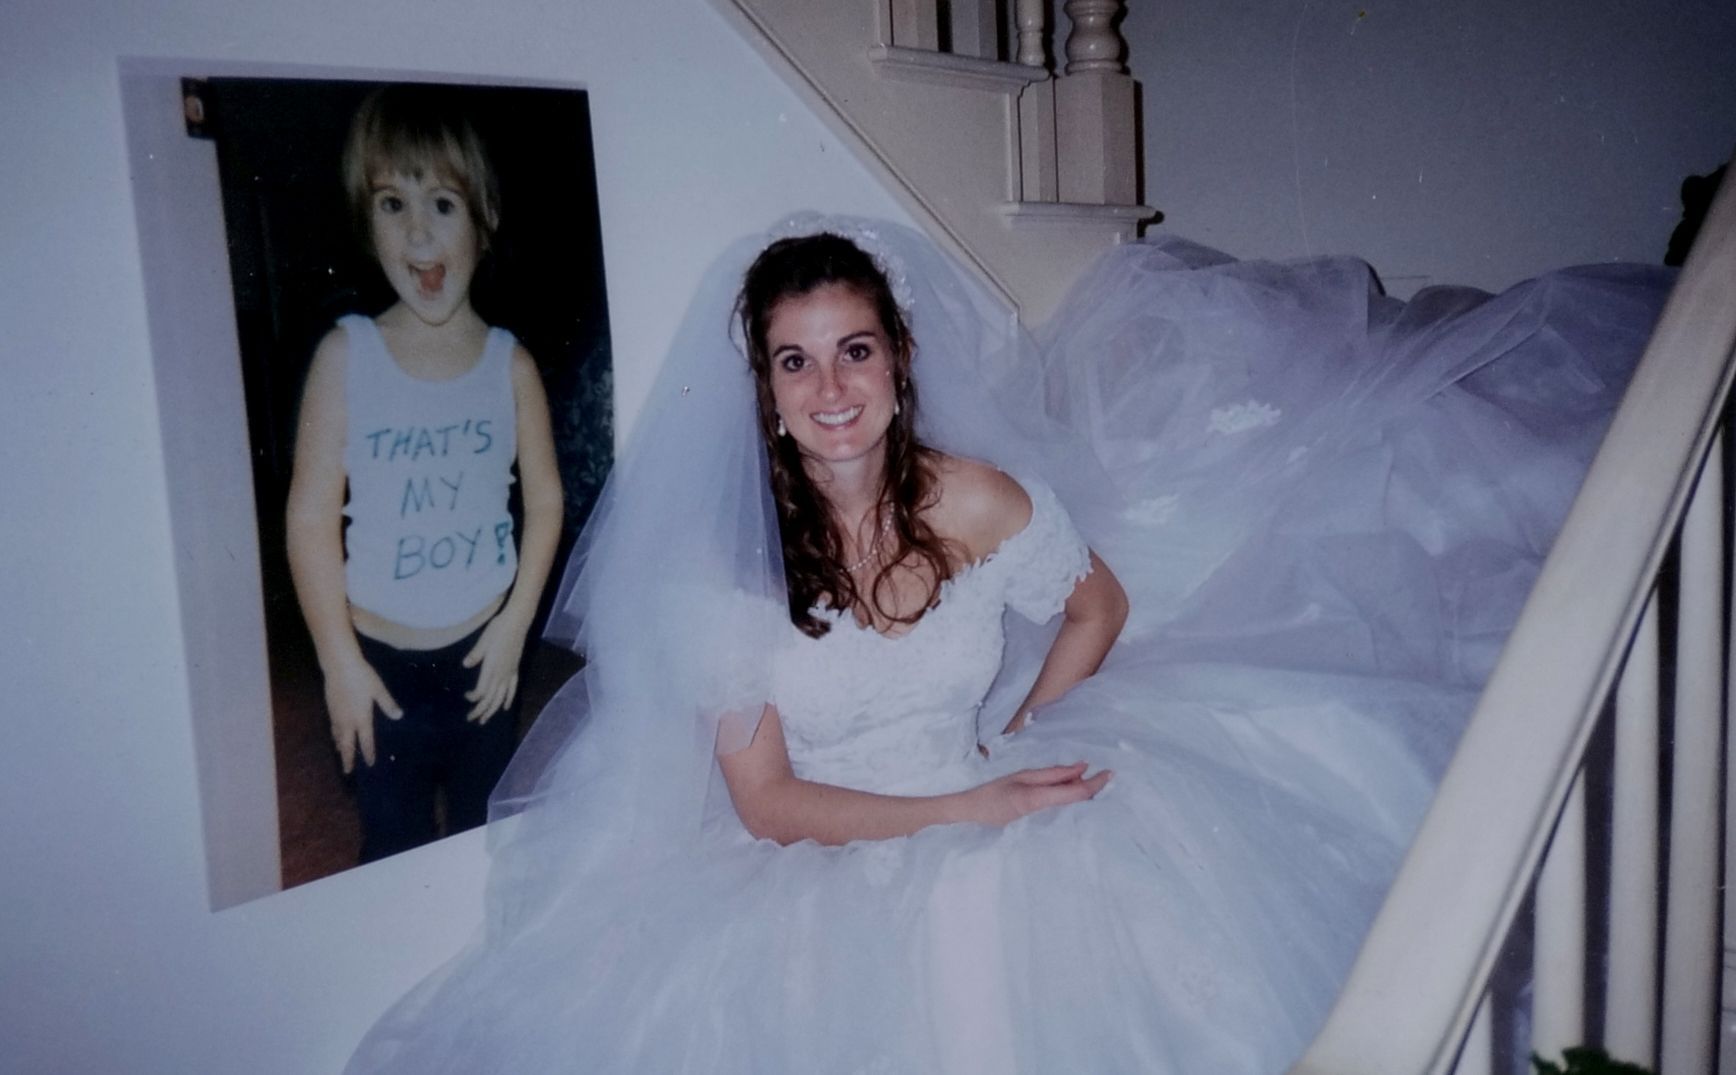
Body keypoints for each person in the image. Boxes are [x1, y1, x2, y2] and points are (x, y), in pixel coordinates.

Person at [346, 217, 1671, 1072]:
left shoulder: (978, 499)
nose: (831, 388)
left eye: (854, 349)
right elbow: (768, 802)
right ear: (763, 387)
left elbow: (1097, 606)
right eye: (795, 362)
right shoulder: (725, 568)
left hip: (989, 794)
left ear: (898, 357)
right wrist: (962, 806)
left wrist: (1024, 732)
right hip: (817, 862)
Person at [286, 85, 563, 864]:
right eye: (391, 204)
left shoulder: (511, 365)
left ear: (485, 217)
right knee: (393, 845)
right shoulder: (346, 356)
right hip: (378, 666)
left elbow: (545, 502)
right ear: (366, 219)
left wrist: (514, 626)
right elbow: (309, 517)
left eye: (442, 204)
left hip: (484, 655)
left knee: (485, 842)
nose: (416, 232)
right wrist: (338, 661)